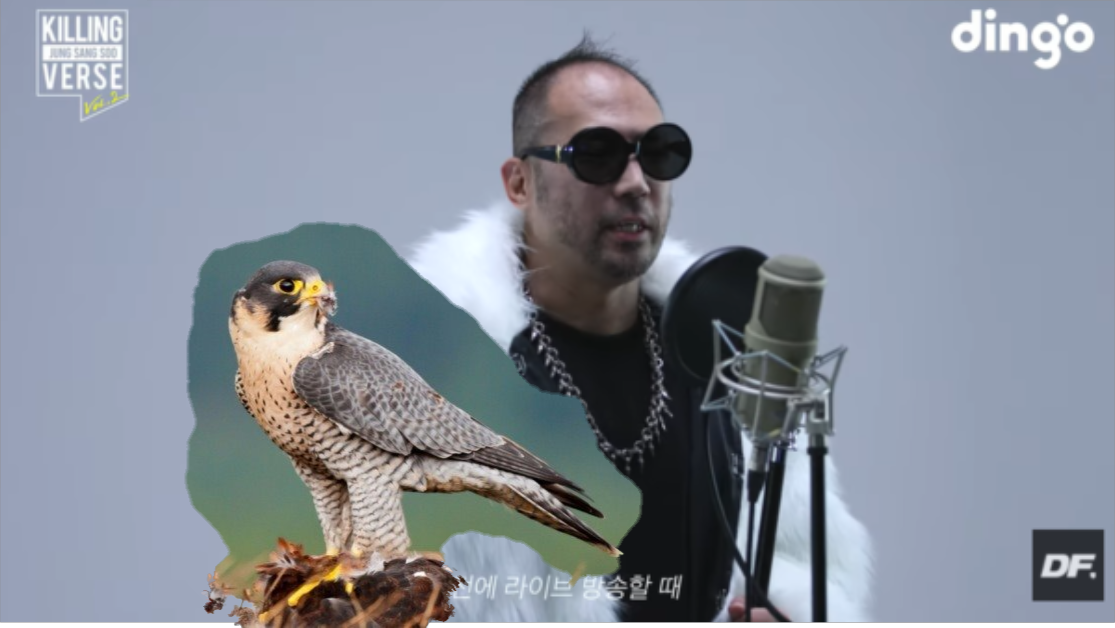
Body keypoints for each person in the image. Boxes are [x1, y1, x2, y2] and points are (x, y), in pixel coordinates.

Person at [407, 34, 874, 623]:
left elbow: (797, 560)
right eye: (596, 154)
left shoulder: (725, 361)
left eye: (658, 153)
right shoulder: (430, 378)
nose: (635, 182)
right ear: (520, 182)